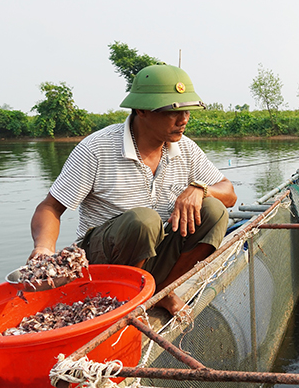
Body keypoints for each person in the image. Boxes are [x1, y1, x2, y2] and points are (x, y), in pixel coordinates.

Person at [29, 63, 237, 315]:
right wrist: (43, 248)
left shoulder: (185, 148)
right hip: (102, 261)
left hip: (152, 253)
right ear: (142, 110)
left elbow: (229, 193)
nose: (184, 120)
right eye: (173, 112)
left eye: (187, 111)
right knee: (144, 221)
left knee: (214, 210)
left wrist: (200, 188)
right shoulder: (97, 149)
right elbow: (51, 206)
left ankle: (160, 292)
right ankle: (125, 297)